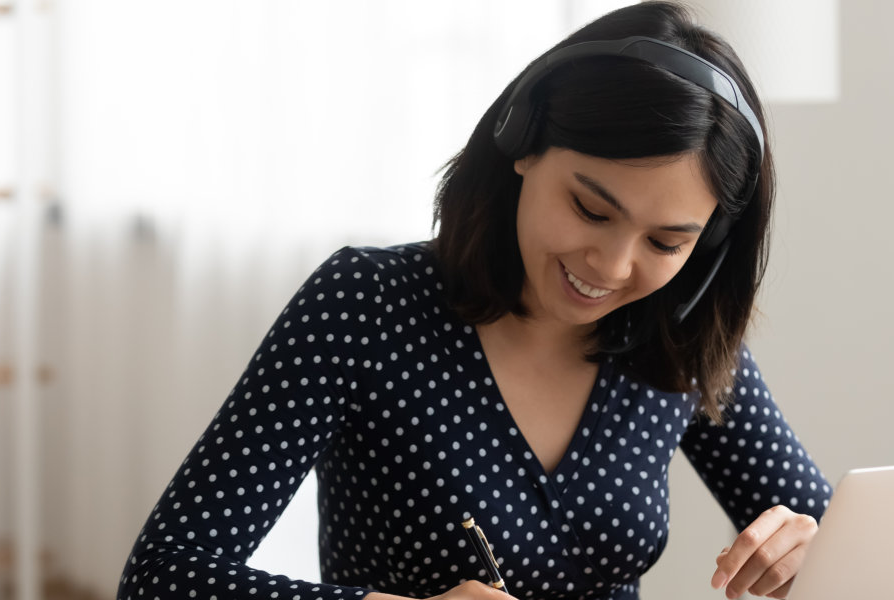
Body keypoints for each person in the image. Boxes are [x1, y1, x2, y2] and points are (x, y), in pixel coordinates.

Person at [116, 3, 831, 599]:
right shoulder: (365, 305)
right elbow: (163, 577)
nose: (612, 267)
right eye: (590, 209)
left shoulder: (678, 335)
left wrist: (818, 551)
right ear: (523, 144)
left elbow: (830, 530)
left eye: (666, 244)